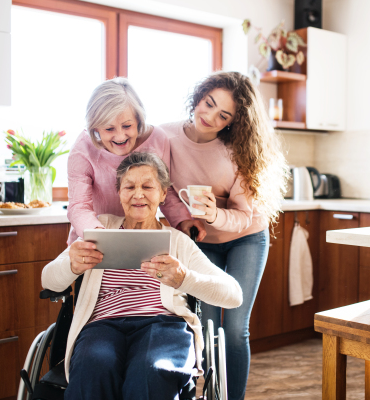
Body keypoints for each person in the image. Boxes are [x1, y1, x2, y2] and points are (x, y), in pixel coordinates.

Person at [42, 152, 242, 399]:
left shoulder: (178, 241)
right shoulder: (98, 229)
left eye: (147, 186)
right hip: (103, 325)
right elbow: (47, 280)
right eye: (129, 187)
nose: (138, 194)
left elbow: (234, 295)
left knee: (153, 370)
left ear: (162, 193)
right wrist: (71, 266)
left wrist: (184, 279)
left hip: (163, 325)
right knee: (93, 367)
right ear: (119, 192)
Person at [161, 71, 289, 400]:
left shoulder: (238, 151)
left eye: (223, 115)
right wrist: (184, 221)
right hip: (204, 241)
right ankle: (211, 393)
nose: (210, 116)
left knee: (233, 330)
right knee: (205, 327)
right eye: (209, 104)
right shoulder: (165, 137)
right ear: (199, 96)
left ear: (233, 122)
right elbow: (165, 189)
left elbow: (246, 216)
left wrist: (214, 214)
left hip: (247, 238)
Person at [66, 77, 206, 248]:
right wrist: (101, 236)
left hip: (142, 237)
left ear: (139, 120)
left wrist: (183, 220)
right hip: (94, 240)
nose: (120, 136)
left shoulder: (157, 139)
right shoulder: (82, 149)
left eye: (127, 126)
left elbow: (164, 190)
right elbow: (78, 207)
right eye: (109, 129)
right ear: (95, 128)